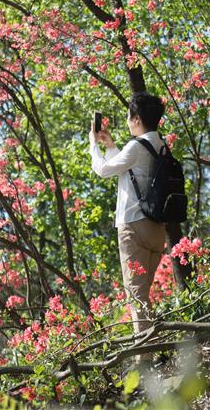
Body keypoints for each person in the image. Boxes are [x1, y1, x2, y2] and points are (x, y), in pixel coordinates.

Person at [89, 92, 168, 364]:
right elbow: (127, 170)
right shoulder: (161, 146)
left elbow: (104, 170)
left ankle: (144, 361)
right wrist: (111, 145)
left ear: (136, 118)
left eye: (129, 117)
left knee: (136, 296)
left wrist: (93, 144)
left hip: (133, 230)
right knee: (143, 294)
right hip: (157, 232)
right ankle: (154, 350)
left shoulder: (136, 147)